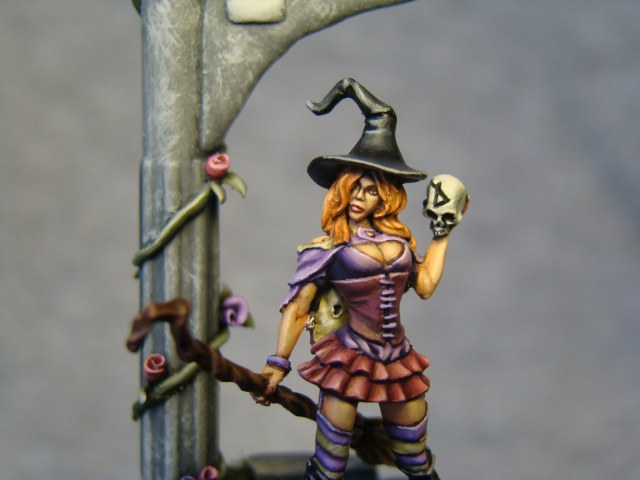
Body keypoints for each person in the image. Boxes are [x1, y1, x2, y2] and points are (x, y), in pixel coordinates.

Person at [258, 79, 465, 480]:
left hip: (397, 360)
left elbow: (424, 286)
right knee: (330, 467)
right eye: (353, 188)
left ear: (385, 196)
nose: (358, 198)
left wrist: (443, 232)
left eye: (370, 191)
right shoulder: (327, 248)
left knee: (416, 461)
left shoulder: (399, 242)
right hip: (349, 360)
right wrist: (277, 364)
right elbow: (298, 307)